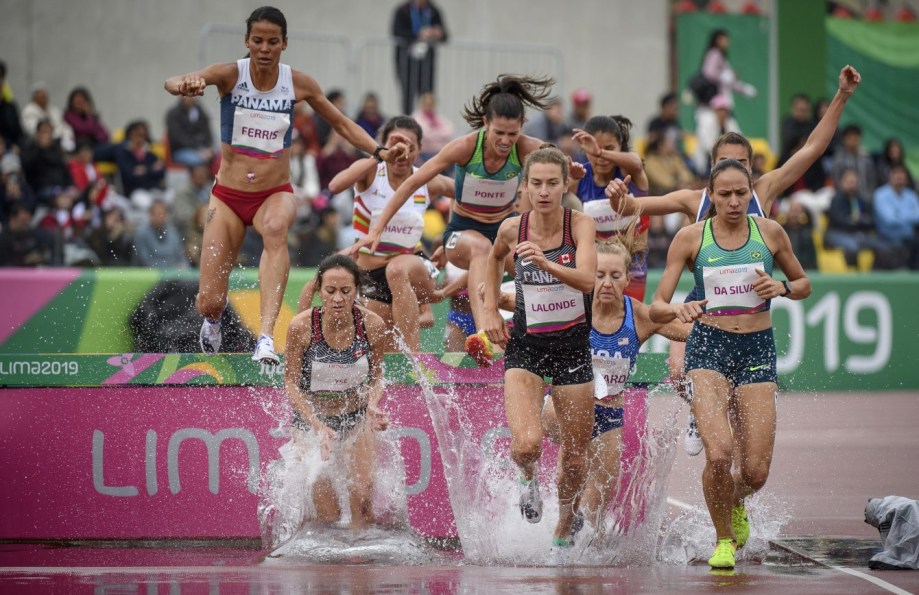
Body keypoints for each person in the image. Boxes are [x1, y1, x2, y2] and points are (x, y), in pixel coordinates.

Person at [607, 65, 860, 457]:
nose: (733, 171)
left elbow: (812, 149)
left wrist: (841, 95)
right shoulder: (695, 200)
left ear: (751, 166)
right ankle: (700, 411)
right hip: (703, 306)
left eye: (741, 163)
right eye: (725, 161)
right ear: (712, 167)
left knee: (744, 431)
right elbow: (636, 205)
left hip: (750, 318)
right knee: (677, 372)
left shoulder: (763, 192)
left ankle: (738, 471)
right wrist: (617, 195)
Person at [164, 6, 407, 364]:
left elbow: (341, 123)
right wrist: (187, 83)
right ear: (247, 41)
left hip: (273, 194)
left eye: (272, 42)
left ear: (284, 44)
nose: (264, 48)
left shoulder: (298, 83)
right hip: (228, 197)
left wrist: (379, 150)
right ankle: (212, 322)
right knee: (210, 299)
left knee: (277, 229)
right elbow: (174, 81)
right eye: (258, 41)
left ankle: (265, 337)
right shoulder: (231, 74)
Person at [649, 159, 812, 569]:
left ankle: (735, 500)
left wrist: (783, 287)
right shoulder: (690, 238)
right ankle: (723, 540)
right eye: (725, 194)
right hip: (708, 348)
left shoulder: (770, 232)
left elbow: (805, 284)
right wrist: (677, 312)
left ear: (750, 192)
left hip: (757, 348)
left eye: (741, 193)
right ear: (711, 195)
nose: (734, 201)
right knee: (719, 453)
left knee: (755, 471)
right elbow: (657, 305)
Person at [351, 74, 571, 366]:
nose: (505, 142)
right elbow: (411, 184)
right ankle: (483, 332)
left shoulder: (529, 147)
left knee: (531, 266)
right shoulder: (466, 147)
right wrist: (375, 230)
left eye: (512, 134)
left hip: (503, 234)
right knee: (480, 246)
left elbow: (562, 167)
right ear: (485, 123)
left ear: (521, 129)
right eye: (499, 133)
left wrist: (574, 169)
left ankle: (556, 338)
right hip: (461, 236)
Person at [526, 235, 692, 537]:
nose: (606, 283)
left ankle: (580, 529)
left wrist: (707, 317)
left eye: (615, 276)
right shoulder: (574, 307)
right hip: (565, 406)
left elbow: (686, 333)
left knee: (600, 496)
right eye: (599, 275)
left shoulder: (638, 315)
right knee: (572, 464)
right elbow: (524, 307)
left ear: (627, 278)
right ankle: (552, 512)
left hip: (609, 414)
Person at [482, 145, 597, 549]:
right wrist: (491, 314)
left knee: (576, 457)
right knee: (527, 445)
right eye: (536, 184)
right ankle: (527, 478)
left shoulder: (579, 225)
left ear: (565, 185)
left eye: (552, 183)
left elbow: (587, 280)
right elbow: (491, 261)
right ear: (525, 187)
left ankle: (564, 530)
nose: (544, 191)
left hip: (573, 346)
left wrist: (546, 264)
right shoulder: (513, 229)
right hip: (527, 345)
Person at [323, 115, 453, 351]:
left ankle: (415, 357)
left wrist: (452, 238)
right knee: (384, 347)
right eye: (395, 148)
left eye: (410, 148)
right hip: (372, 272)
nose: (402, 155)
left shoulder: (428, 181)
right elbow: (334, 186)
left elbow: (466, 198)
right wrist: (378, 155)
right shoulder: (371, 174)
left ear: (420, 149)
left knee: (397, 269)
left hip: (412, 266)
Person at [282, 254, 391, 529]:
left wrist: (372, 405)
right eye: (330, 291)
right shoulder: (301, 328)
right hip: (313, 423)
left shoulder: (373, 325)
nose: (338, 299)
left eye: (346, 291)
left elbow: (377, 376)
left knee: (362, 503)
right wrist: (318, 425)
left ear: (356, 291)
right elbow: (292, 385)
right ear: (319, 290)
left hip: (356, 417)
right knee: (327, 515)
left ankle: (361, 566)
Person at [569, 115, 650, 299]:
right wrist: (569, 179)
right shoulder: (580, 176)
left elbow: (637, 162)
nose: (601, 156)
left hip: (633, 270)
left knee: (629, 322)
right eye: (595, 149)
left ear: (620, 146)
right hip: (597, 270)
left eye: (609, 148)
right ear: (585, 147)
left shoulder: (630, 172)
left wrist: (598, 151)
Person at [825, 168, 892, 269]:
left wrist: (857, 221)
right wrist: (859, 220)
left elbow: (871, 221)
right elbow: (840, 220)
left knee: (884, 247)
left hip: (860, 234)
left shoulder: (862, 200)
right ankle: (853, 277)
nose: (851, 184)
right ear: (842, 182)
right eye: (849, 181)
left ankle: (875, 275)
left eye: (854, 182)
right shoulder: (836, 200)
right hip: (838, 233)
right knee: (853, 247)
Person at [391, 0, 448, 116]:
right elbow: (396, 32)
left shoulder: (432, 10)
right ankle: (407, 120)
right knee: (407, 93)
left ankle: (427, 122)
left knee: (427, 92)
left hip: (426, 61)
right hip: (406, 60)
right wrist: (418, 35)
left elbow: (445, 35)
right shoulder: (403, 10)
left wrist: (437, 33)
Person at [873, 164, 919, 270]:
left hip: (909, 236)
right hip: (887, 236)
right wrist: (909, 215)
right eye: (896, 175)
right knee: (895, 248)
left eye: (902, 176)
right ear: (890, 177)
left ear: (906, 179)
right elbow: (890, 220)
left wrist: (899, 214)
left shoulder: (910, 195)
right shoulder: (880, 194)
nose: (899, 178)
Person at [699, 29, 757, 112]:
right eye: (724, 39)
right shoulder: (714, 54)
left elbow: (729, 82)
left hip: (723, 102)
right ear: (717, 40)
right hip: (712, 102)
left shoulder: (722, 56)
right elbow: (709, 73)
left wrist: (744, 89)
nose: (727, 42)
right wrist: (724, 75)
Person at [133, 199, 188, 268]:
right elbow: (144, 260)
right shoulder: (141, 234)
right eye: (158, 214)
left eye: (163, 214)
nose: (161, 217)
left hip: (174, 273)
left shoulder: (173, 232)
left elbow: (180, 256)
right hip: (151, 274)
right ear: (151, 215)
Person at [20, 82, 75, 152]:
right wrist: (52, 135)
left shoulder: (54, 110)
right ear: (34, 98)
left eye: (44, 96)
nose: (43, 99)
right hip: (38, 144)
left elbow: (63, 126)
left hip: (58, 141)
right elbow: (32, 131)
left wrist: (67, 136)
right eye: (40, 97)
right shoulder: (29, 111)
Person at [165, 96, 216, 169]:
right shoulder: (173, 114)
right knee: (198, 160)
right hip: (181, 150)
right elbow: (177, 138)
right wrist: (198, 150)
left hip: (201, 148)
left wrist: (208, 148)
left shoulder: (201, 112)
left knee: (219, 157)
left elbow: (207, 133)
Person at [830, 124, 877, 200]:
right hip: (843, 197)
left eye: (855, 138)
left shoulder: (866, 158)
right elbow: (835, 178)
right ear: (844, 139)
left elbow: (871, 179)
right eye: (850, 138)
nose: (853, 141)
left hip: (864, 196)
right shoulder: (838, 157)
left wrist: (869, 195)